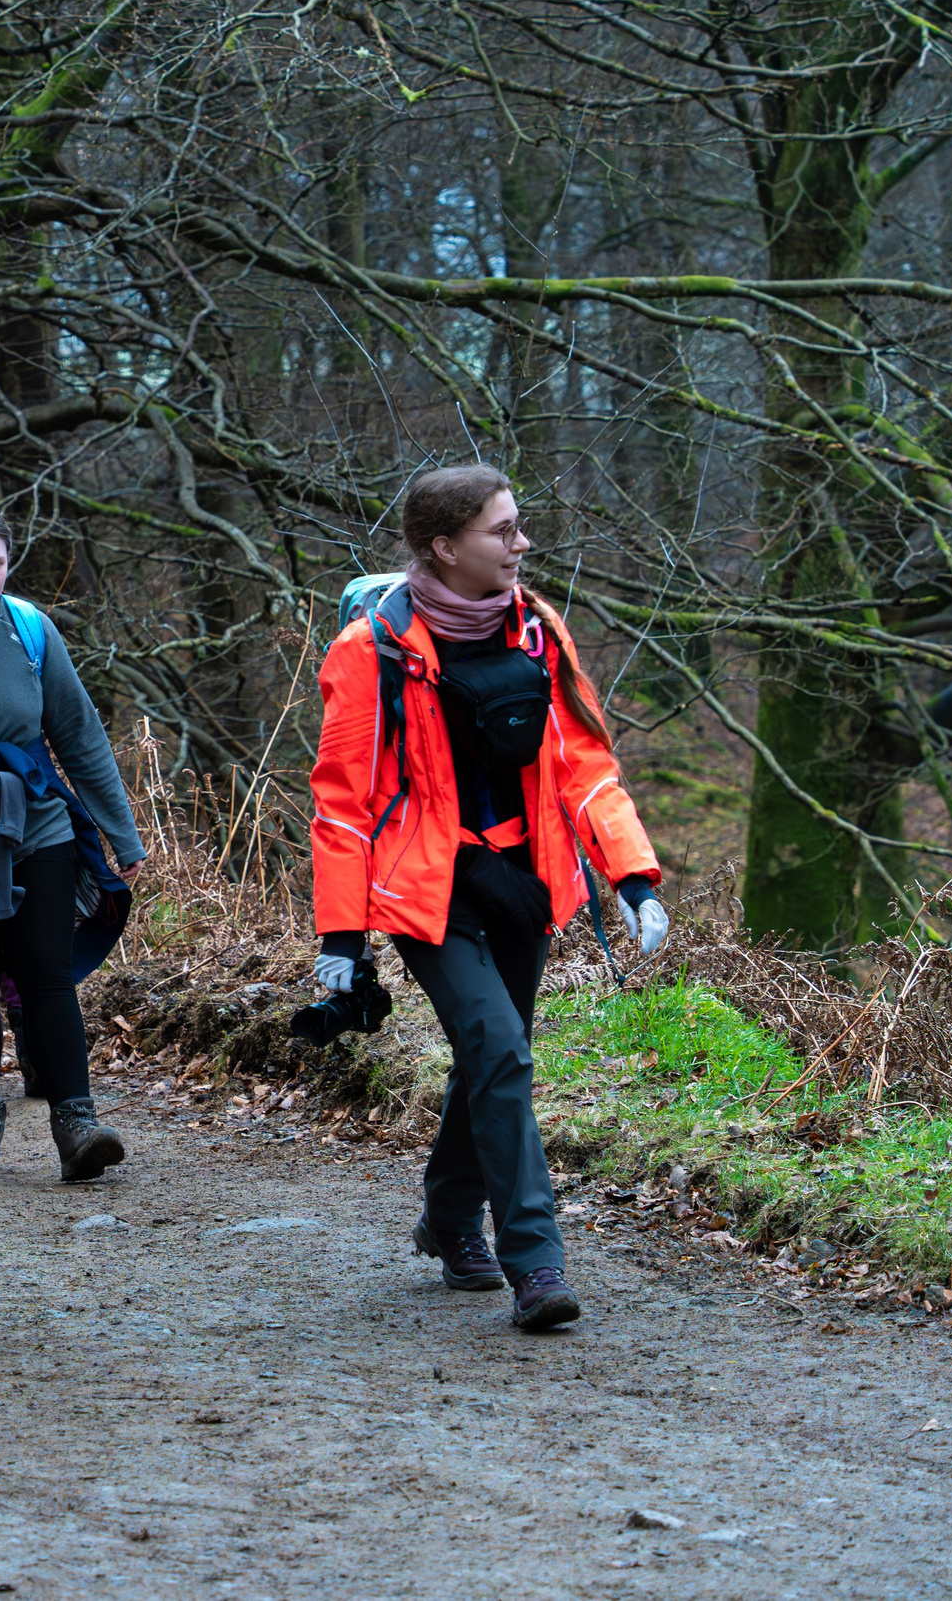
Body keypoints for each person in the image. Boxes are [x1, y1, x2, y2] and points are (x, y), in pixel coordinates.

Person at [307, 464, 666, 1332]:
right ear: (444, 545)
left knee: (490, 1056)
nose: (521, 543)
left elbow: (585, 764)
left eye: (518, 526)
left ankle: (446, 1215)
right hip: (428, 888)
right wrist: (343, 940)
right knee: (501, 1050)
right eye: (501, 531)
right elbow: (343, 802)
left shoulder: (539, 630)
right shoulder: (372, 651)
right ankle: (536, 1264)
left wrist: (633, 875)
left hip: (527, 880)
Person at [0, 500, 148, 1182]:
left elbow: (78, 734)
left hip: (37, 821)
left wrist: (122, 834)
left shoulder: (30, 629)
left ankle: (75, 1121)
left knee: (44, 968)